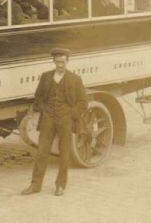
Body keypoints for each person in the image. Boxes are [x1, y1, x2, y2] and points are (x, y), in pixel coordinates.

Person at [21, 47, 88, 197]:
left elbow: (83, 102)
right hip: (48, 119)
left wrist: (71, 115)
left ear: (67, 61)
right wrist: (44, 110)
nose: (60, 65)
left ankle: (60, 185)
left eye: (63, 62)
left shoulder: (75, 79)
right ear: (54, 61)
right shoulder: (46, 77)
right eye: (58, 62)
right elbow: (38, 97)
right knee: (41, 152)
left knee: (64, 153)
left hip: (66, 120)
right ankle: (35, 185)